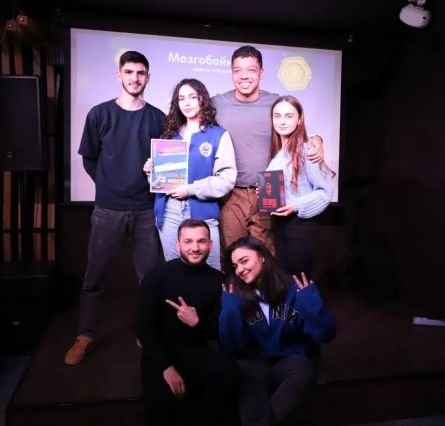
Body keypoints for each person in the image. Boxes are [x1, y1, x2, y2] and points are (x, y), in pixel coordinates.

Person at [64, 50, 165, 366]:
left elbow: (165, 163)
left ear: (148, 77)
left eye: (140, 73)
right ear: (119, 75)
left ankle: (147, 331)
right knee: (95, 276)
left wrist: (155, 174)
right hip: (108, 209)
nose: (135, 78)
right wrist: (108, 185)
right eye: (129, 72)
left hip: (145, 209)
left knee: (149, 279)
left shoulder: (158, 118)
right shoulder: (99, 114)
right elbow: (89, 158)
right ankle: (85, 335)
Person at [211, 45, 324, 257]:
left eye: (251, 70)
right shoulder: (216, 103)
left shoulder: (275, 102)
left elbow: (296, 127)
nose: (244, 76)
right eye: (238, 70)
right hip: (231, 193)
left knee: (265, 257)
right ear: (231, 73)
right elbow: (191, 129)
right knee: (234, 256)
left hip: (268, 189)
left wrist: (317, 138)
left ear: (261, 73)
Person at [220, 236, 336, 426]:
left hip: (289, 359)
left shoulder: (293, 288)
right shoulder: (235, 295)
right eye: (235, 266)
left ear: (262, 257)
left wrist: (310, 302)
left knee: (303, 370)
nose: (239, 270)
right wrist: (230, 311)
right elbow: (234, 346)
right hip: (254, 362)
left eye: (244, 261)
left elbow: (325, 334)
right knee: (246, 381)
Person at [136, 218, 239, 426]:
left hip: (198, 353)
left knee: (229, 383)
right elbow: (143, 328)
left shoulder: (219, 281)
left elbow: (220, 331)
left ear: (210, 244)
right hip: (161, 356)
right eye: (188, 242)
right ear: (178, 245)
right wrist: (166, 368)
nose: (195, 248)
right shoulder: (157, 276)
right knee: (163, 407)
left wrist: (196, 322)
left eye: (201, 241)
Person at [143, 78, 237, 270]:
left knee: (210, 272)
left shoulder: (218, 135)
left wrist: (191, 189)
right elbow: (160, 180)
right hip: (169, 212)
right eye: (181, 98)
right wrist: (151, 171)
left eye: (192, 97)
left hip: (202, 211)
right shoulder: (168, 136)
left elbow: (226, 179)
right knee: (175, 271)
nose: (186, 103)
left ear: (202, 99)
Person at [266, 95, 336, 276]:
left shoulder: (307, 149)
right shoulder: (278, 152)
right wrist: (265, 192)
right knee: (285, 282)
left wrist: (295, 206)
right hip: (281, 227)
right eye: (277, 116)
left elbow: (325, 191)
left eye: (289, 116)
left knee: (297, 283)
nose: (282, 121)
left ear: (299, 120)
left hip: (300, 227)